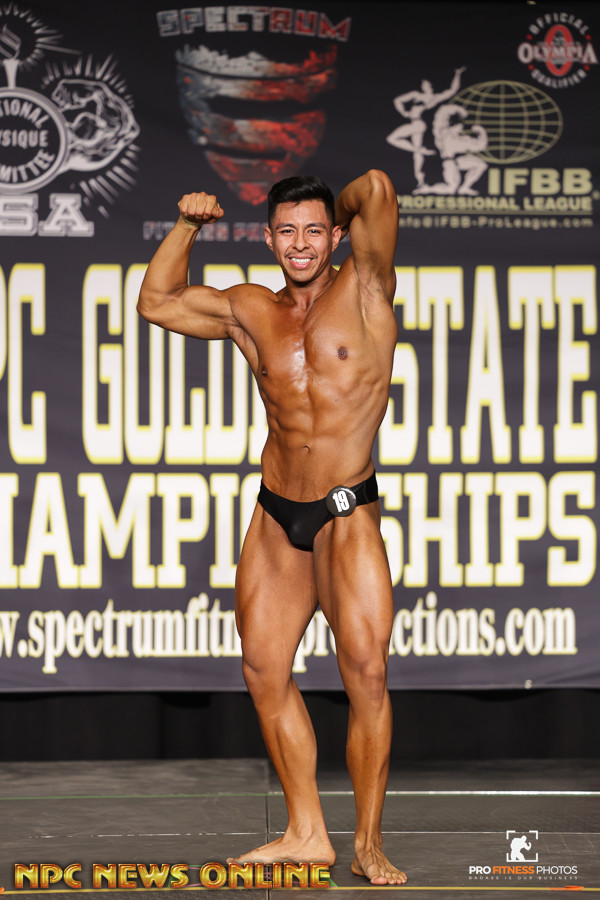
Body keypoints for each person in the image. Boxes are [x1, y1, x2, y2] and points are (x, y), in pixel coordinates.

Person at [137, 169, 406, 885]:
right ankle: (306, 832)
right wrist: (188, 226)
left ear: (337, 235)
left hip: (346, 513)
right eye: (287, 231)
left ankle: (368, 843)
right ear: (267, 239)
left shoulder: (367, 286)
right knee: (263, 670)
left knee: (367, 675)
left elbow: (379, 189)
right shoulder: (252, 308)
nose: (300, 244)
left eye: (314, 230)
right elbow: (156, 301)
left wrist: (337, 207)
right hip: (276, 513)